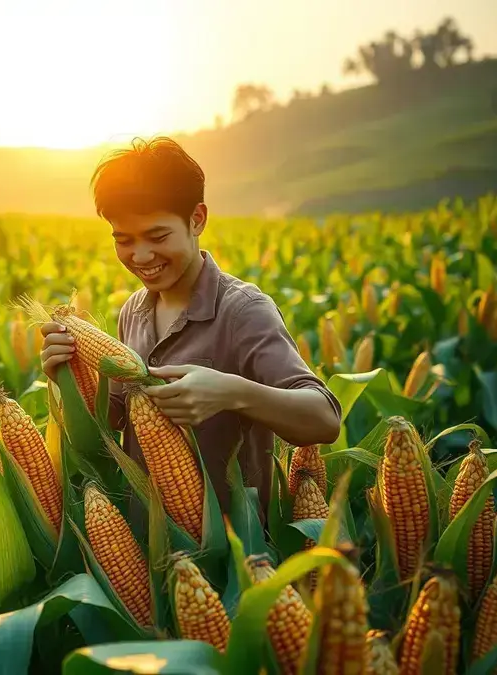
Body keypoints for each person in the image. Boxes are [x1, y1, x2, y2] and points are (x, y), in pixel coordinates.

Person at [39, 135, 341, 521]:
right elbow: (120, 418)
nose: (141, 256)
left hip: (235, 552)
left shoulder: (244, 311)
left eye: (158, 236)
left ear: (197, 219)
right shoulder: (134, 310)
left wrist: (231, 392)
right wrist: (69, 376)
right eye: (124, 240)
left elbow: (325, 418)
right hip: (148, 545)